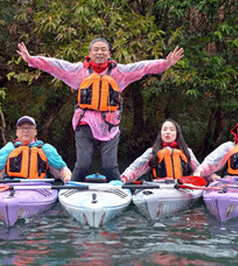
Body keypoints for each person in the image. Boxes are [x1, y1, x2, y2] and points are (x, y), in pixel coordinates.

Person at [17, 39, 184, 182]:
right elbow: (55, 66)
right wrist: (32, 60)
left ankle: (118, 192)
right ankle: (73, 191)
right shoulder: (79, 72)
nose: (99, 53)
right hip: (85, 124)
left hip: (110, 127)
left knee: (110, 166)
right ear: (89, 53)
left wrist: (165, 63)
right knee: (82, 164)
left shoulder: (119, 73)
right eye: (96, 49)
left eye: (103, 49)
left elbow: (142, 67)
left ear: (109, 53)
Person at [0, 115, 72, 183]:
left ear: (35, 132)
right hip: (13, 185)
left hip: (39, 186)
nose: (26, 131)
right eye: (22, 128)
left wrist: (66, 176)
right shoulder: (9, 148)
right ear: (17, 132)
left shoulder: (46, 149)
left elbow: (61, 169)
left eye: (29, 128)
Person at [120, 119, 200, 183]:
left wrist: (211, 177)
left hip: (183, 187)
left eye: (172, 130)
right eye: (164, 129)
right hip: (160, 188)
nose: (168, 132)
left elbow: (199, 170)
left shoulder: (187, 152)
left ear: (177, 133)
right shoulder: (152, 152)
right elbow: (136, 168)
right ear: (160, 133)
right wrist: (124, 177)